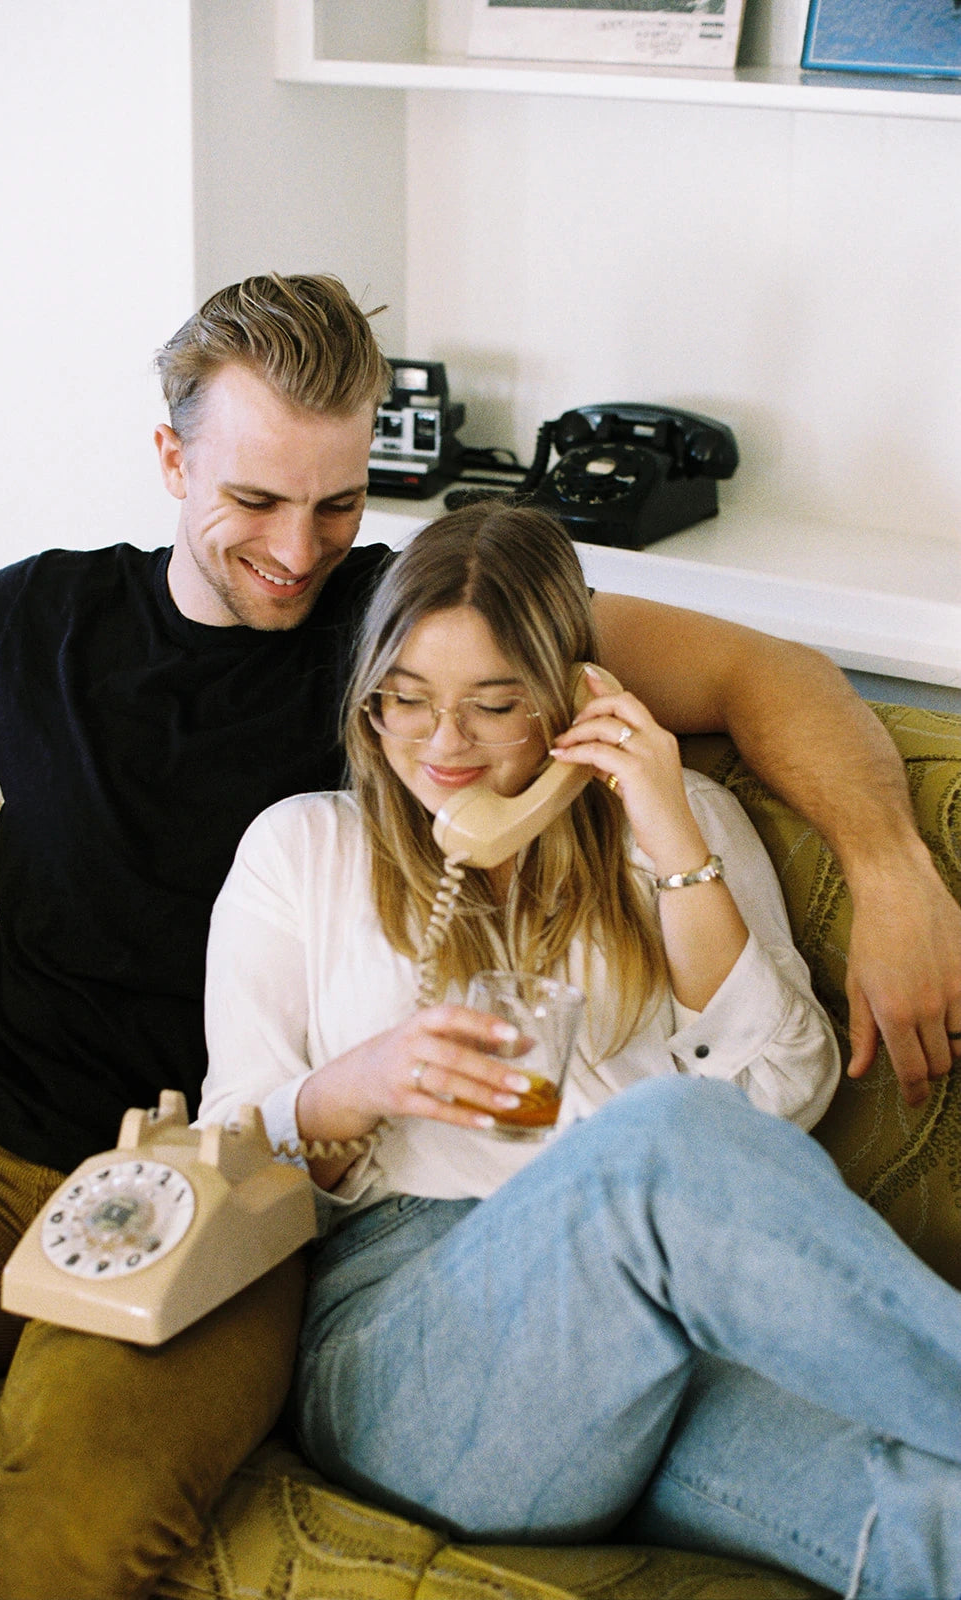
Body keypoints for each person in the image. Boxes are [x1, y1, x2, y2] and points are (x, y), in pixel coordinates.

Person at [0, 271, 955, 1599]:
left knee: (65, 1520)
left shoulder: (410, 616)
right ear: (171, 460)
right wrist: (359, 1084)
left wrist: (886, 867)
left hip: (273, 1216)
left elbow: (760, 675)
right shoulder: (51, 638)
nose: (297, 546)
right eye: (255, 500)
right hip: (35, 1144)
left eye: (335, 502)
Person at [198, 502, 961, 1599]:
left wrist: (665, 832)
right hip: (407, 1343)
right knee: (659, 1136)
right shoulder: (300, 850)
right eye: (402, 703)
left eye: (492, 705)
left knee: (929, 1522)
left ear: (569, 702)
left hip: (647, 1357)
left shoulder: (675, 821)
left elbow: (782, 1090)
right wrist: (347, 1087)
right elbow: (225, 1148)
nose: (441, 745)